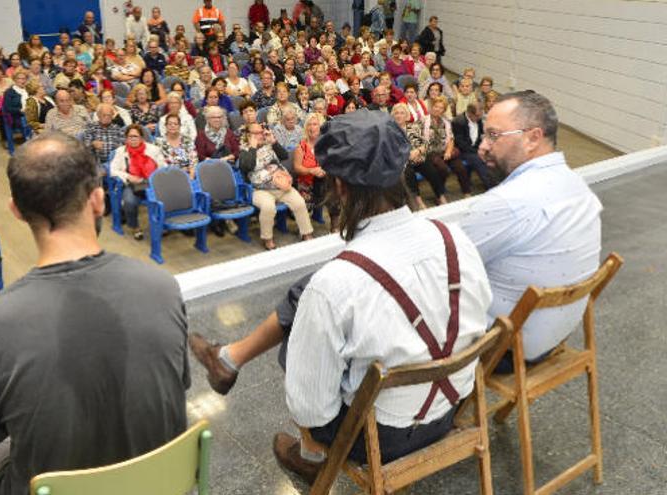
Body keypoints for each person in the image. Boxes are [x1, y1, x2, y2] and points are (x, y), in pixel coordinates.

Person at [190, 111, 491, 478]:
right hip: (450, 408)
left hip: (381, 437)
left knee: (297, 344)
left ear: (340, 188)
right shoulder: (455, 238)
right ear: (400, 173)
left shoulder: (336, 283)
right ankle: (228, 359)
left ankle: (313, 457)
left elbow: (310, 410)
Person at [0, 133, 189, 495]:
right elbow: (173, 389)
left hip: (52, 488)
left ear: (16, 210)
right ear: (98, 201)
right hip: (162, 483)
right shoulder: (162, 286)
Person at [461, 90, 602, 371]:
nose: (483, 147)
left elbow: (445, 269)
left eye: (493, 135)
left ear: (533, 138)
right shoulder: (577, 186)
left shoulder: (506, 203)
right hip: (556, 334)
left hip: (508, 348)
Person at [239, 121, 313, 250]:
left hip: (281, 185)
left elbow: (284, 156)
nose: (259, 135)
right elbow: (247, 167)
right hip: (260, 189)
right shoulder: (245, 150)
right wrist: (252, 147)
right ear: (248, 135)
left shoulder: (269, 144)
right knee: (268, 207)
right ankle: (268, 239)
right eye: (255, 133)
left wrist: (274, 142)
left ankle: (306, 233)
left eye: (260, 132)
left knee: (299, 202)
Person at [110, 125, 167, 240]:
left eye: (136, 136)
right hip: (133, 184)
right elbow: (113, 170)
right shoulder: (121, 151)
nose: (133, 139)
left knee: (164, 197)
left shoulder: (153, 150)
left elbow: (163, 167)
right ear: (126, 138)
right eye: (130, 136)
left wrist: (154, 178)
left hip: (151, 183)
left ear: (142, 138)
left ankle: (162, 224)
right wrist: (128, 176)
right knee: (129, 201)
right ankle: (135, 226)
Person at [424, 98, 469, 204]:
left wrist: (448, 151)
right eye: (436, 106)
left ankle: (466, 192)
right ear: (432, 107)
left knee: (460, 168)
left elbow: (451, 139)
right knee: (443, 169)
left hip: (445, 151)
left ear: (444, 111)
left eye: (441, 108)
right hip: (430, 152)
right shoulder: (423, 121)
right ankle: (439, 194)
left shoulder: (446, 122)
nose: (437, 109)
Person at [452, 101, 496, 190]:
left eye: (480, 115)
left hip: (475, 147)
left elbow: (481, 135)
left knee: (493, 154)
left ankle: (496, 181)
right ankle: (492, 187)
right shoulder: (458, 122)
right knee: (478, 160)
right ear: (469, 113)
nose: (480, 118)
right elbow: (460, 143)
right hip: (463, 151)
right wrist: (477, 151)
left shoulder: (478, 119)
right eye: (477, 116)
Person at [156, 114, 199, 179]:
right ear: (166, 126)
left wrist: (191, 176)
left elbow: (193, 160)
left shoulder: (187, 140)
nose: (172, 126)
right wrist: (181, 170)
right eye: (170, 124)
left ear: (179, 126)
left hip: (188, 174)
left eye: (175, 124)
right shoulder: (159, 142)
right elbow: (160, 164)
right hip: (168, 176)